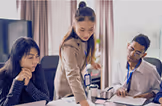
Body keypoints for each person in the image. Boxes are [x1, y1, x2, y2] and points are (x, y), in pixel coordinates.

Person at [54, 1, 101, 106]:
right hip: (66, 88)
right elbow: (72, 73)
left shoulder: (87, 40)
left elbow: (82, 56)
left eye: (91, 29)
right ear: (74, 25)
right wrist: (82, 100)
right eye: (82, 29)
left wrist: (91, 62)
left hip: (78, 86)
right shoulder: (68, 46)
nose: (86, 34)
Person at [0, 37, 49, 106]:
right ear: (18, 58)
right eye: (30, 57)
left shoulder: (37, 69)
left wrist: (28, 85)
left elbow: (46, 100)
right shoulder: (3, 75)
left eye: (37, 56)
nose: (36, 61)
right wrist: (17, 83)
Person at [111, 34, 161, 100]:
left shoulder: (151, 70)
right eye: (131, 49)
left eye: (137, 53)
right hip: (121, 100)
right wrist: (118, 88)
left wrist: (148, 95)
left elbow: (158, 90)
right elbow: (115, 83)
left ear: (143, 55)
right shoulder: (119, 64)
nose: (132, 54)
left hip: (140, 102)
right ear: (128, 46)